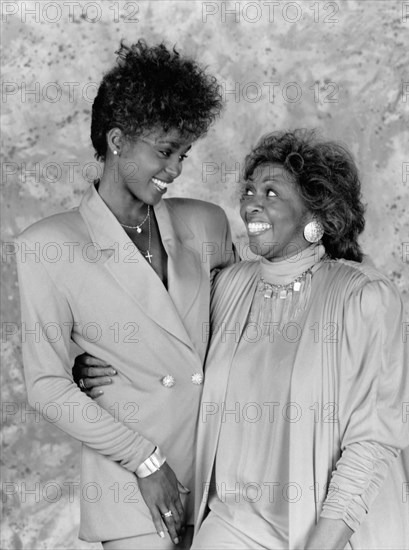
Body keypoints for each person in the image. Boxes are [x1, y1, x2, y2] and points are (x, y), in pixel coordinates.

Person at [16, 39, 236, 550]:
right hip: (132, 484)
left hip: (221, 476)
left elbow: (241, 332)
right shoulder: (48, 247)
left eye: (183, 153)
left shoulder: (206, 223)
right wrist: (145, 460)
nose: (177, 168)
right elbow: (46, 386)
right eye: (164, 151)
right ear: (117, 140)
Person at [189, 130, 409, 549]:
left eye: (271, 192)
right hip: (232, 525)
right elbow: (167, 353)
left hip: (329, 531)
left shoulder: (363, 296)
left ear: (315, 216)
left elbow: (372, 441)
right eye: (249, 190)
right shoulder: (228, 287)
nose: (250, 203)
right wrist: (96, 364)